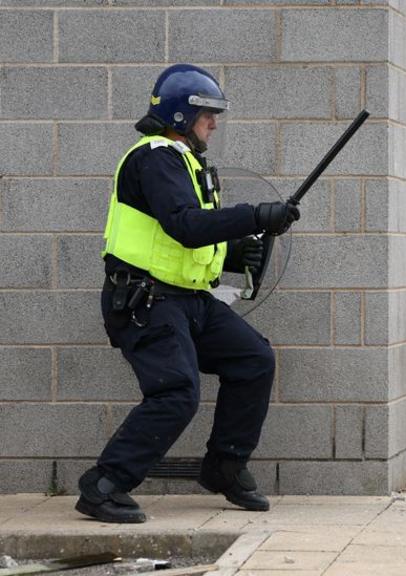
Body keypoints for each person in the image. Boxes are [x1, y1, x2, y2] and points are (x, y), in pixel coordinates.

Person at [76, 64, 300, 524]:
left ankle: (224, 466)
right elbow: (185, 226)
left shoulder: (187, 162)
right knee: (177, 391)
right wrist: (256, 216)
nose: (214, 124)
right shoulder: (155, 157)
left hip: (186, 300)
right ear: (181, 115)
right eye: (207, 115)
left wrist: (238, 254)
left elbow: (189, 240)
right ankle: (103, 485)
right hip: (146, 302)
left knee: (253, 359)